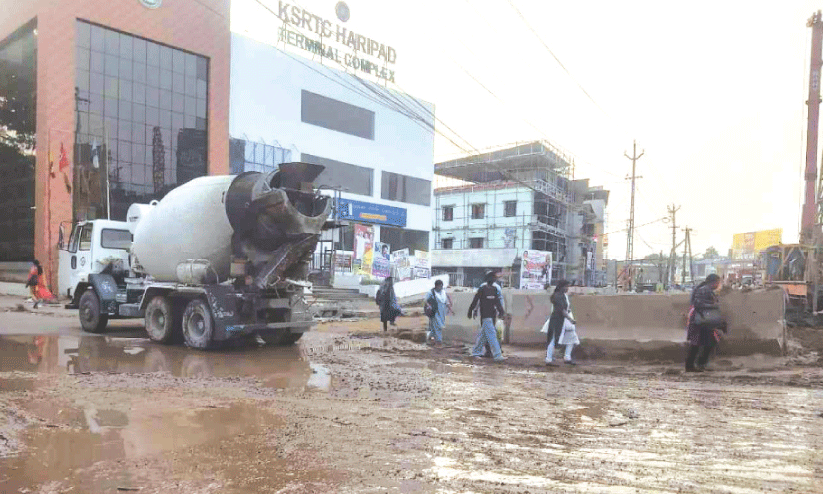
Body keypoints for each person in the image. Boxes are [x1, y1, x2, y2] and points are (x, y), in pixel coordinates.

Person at [685, 274, 727, 372]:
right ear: (714, 282)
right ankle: (692, 365)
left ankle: (699, 365)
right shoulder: (704, 290)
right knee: (698, 343)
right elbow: (698, 303)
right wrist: (714, 306)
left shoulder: (705, 289)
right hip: (701, 320)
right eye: (718, 282)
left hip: (704, 320)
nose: (718, 284)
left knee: (707, 342)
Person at [468, 271, 507, 361]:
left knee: (483, 335)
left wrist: (501, 312)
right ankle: (497, 355)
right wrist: (471, 311)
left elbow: (497, 302)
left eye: (494, 277)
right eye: (492, 277)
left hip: (492, 315)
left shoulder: (495, 289)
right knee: (492, 335)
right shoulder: (482, 289)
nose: (493, 279)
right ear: (488, 278)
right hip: (485, 315)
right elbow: (475, 300)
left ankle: (476, 352)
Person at [544, 280, 578, 366]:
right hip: (558, 319)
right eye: (566, 286)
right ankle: (548, 359)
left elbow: (565, 309)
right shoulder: (558, 296)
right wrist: (570, 319)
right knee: (553, 339)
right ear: (562, 287)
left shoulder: (562, 296)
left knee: (571, 337)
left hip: (563, 319)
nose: (567, 288)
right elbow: (562, 310)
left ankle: (567, 357)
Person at [426, 279, 452, 345]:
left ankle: (430, 337)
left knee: (434, 327)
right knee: (438, 326)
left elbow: (446, 301)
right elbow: (426, 301)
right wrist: (429, 306)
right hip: (435, 311)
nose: (440, 287)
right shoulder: (431, 292)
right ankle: (439, 341)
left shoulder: (443, 292)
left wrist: (450, 309)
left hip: (442, 312)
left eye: (441, 286)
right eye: (439, 286)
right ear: (436, 286)